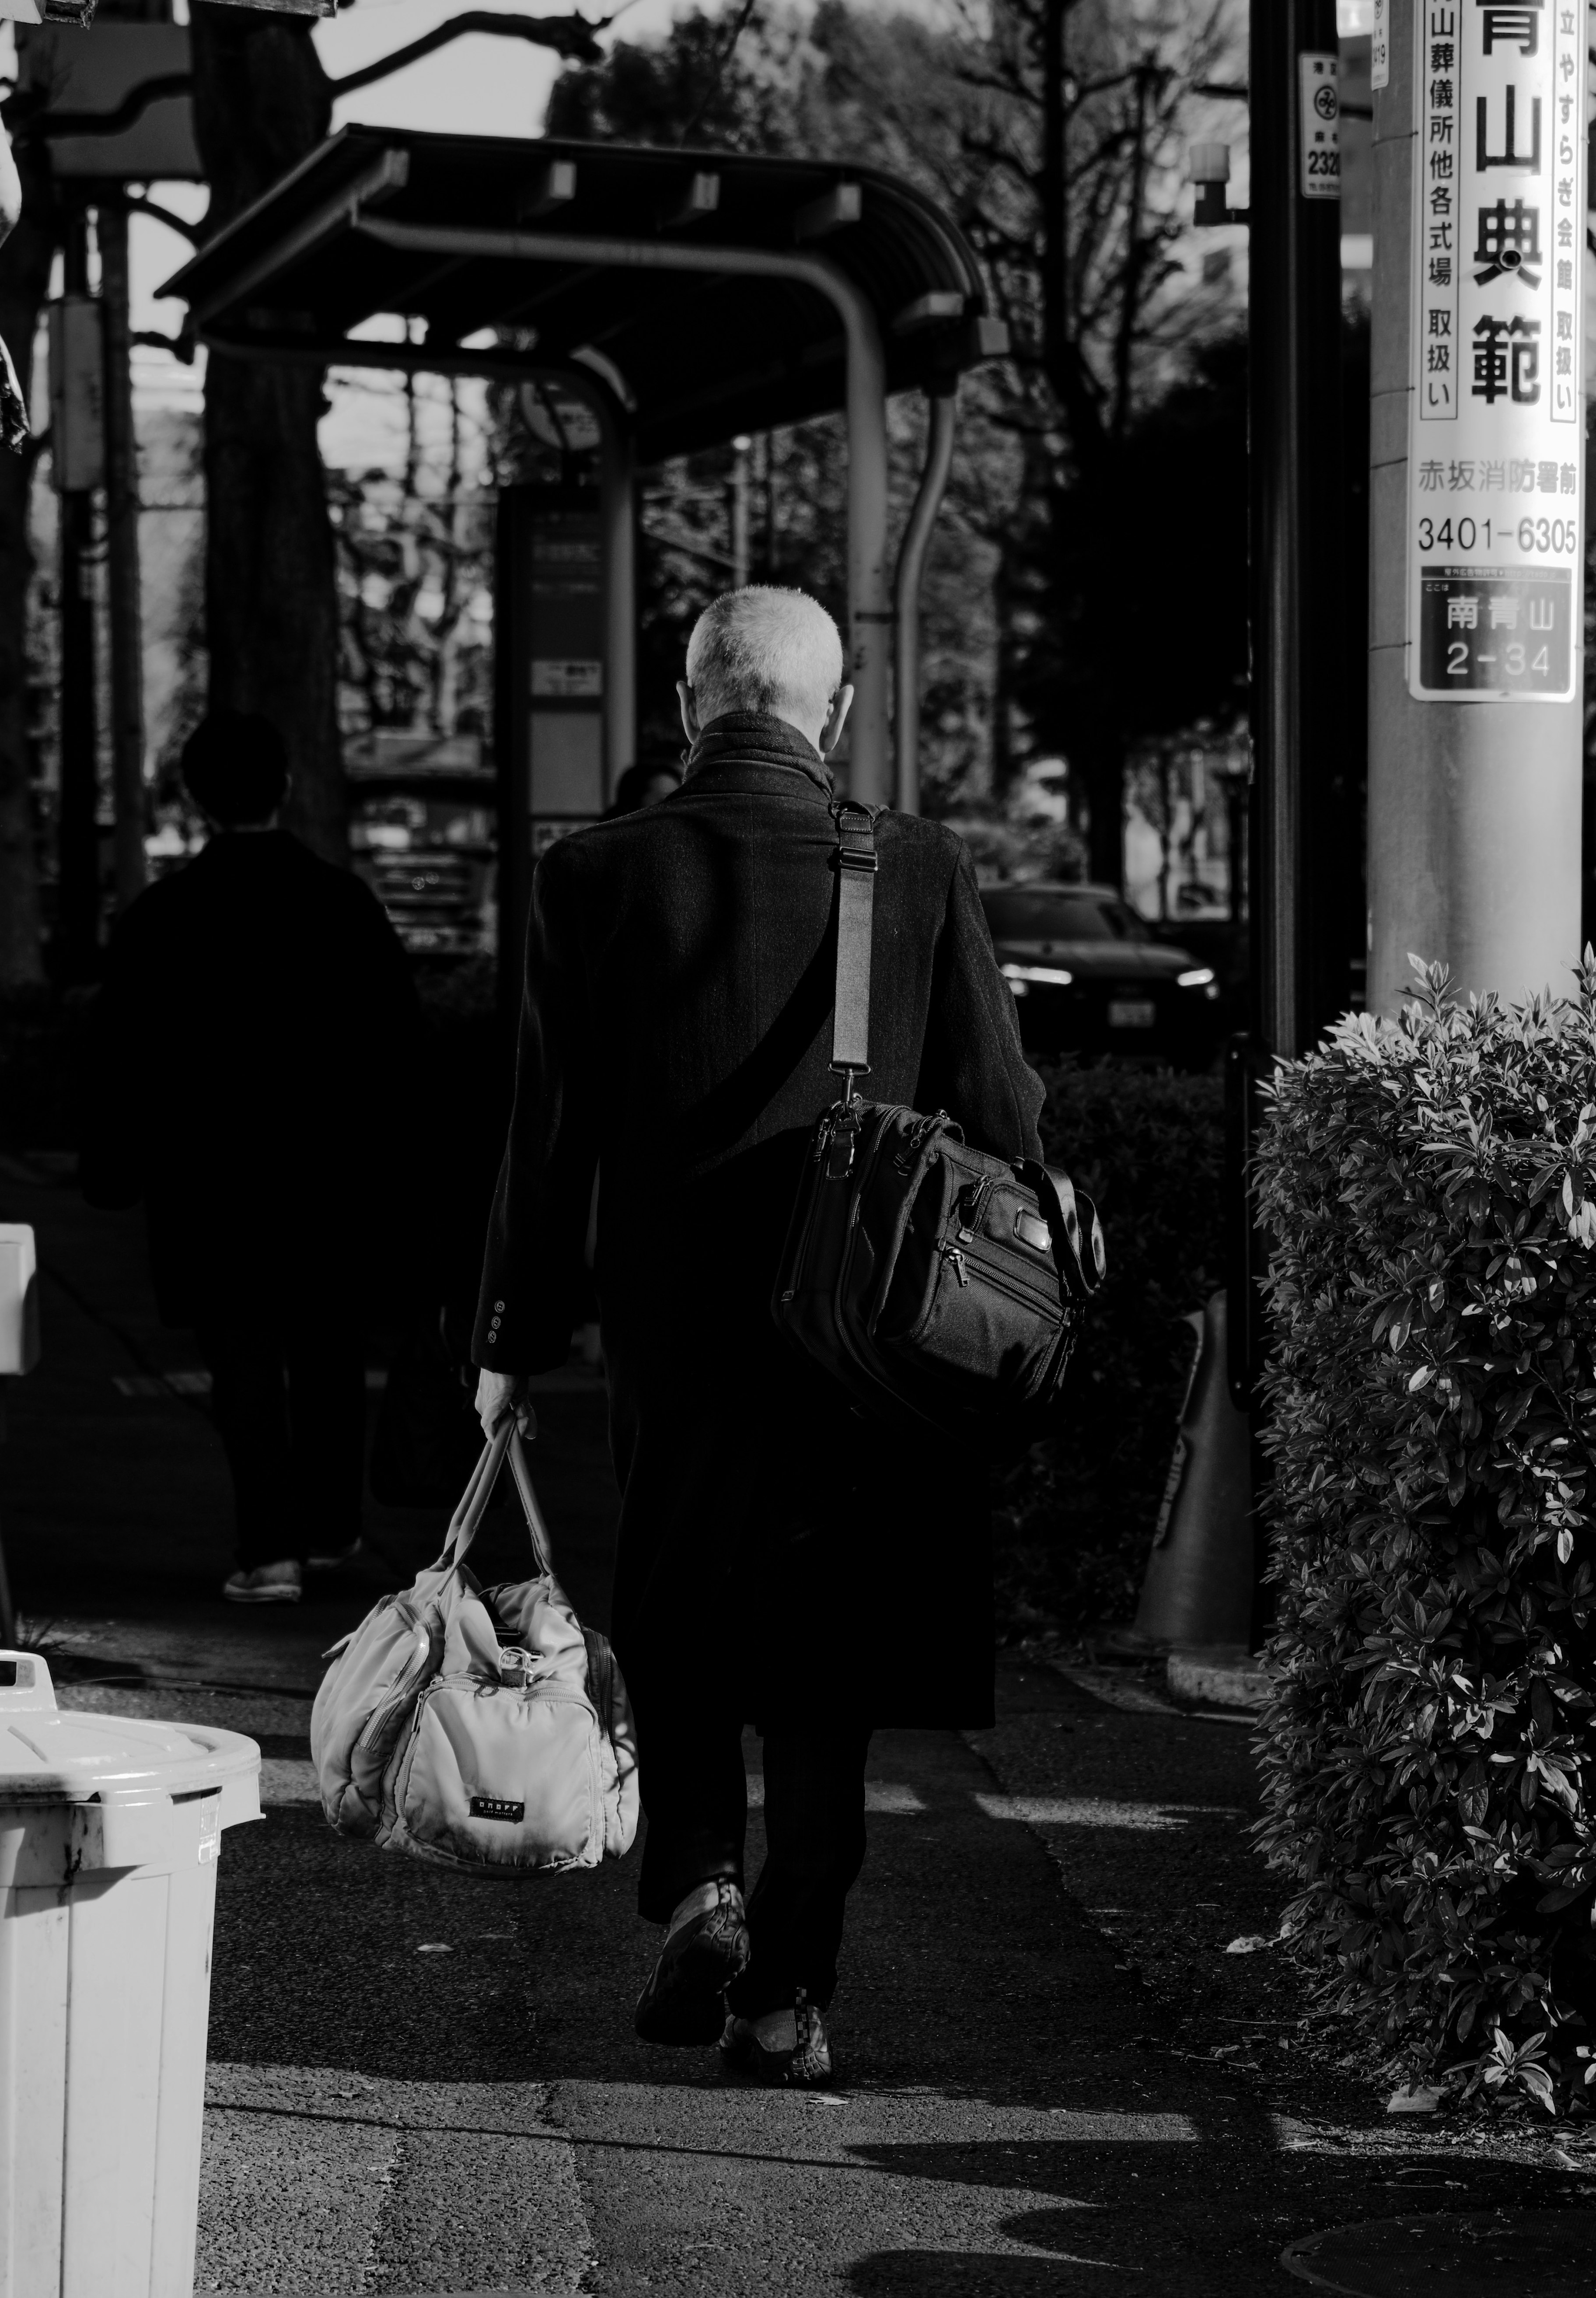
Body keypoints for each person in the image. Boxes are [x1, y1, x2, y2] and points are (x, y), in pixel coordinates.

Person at [472, 586, 1046, 2087]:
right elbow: (1008, 1117)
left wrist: (509, 1340)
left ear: (686, 706)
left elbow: (549, 1140)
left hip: (676, 1333)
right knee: (825, 1668)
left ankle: (700, 1886)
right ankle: (788, 1997)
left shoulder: (592, 874)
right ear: (834, 713)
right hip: (870, 1344)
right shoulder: (911, 865)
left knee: (676, 1613)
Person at [80, 713, 423, 1605]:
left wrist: (114, 1167)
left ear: (195, 797)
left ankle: (268, 1547)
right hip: (330, 1180)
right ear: (286, 786)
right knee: (328, 1354)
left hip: (212, 1183)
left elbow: (121, 1058)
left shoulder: (162, 919)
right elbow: (399, 1051)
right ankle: (331, 1526)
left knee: (242, 1362)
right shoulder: (341, 905)